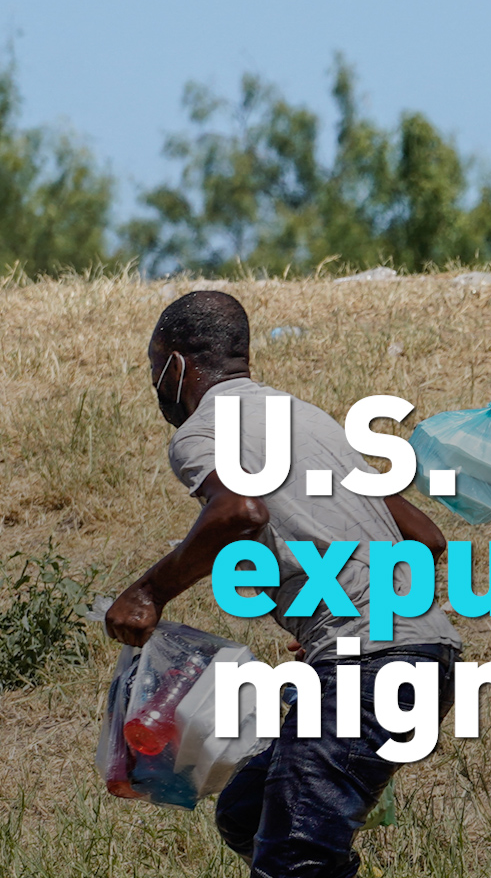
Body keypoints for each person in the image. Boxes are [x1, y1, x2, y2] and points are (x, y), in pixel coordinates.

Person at [106, 290, 462, 878]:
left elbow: (239, 511)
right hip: (428, 653)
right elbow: (426, 537)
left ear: (175, 366)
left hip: (369, 664)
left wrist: (148, 593)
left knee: (295, 857)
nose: (155, 384)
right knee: (247, 813)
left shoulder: (202, 431)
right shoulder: (311, 419)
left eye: (154, 368)